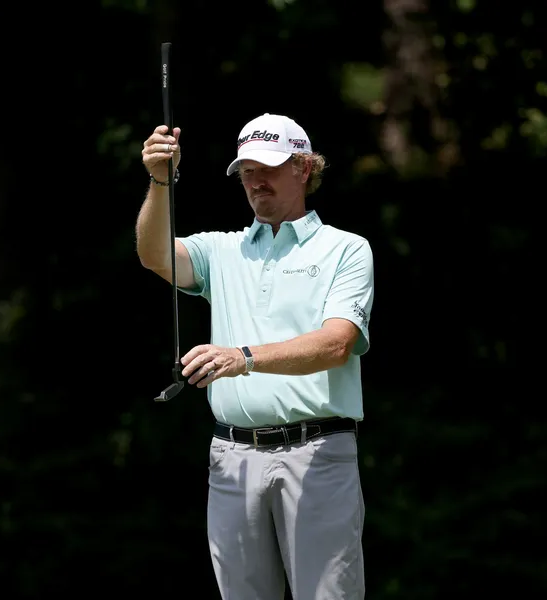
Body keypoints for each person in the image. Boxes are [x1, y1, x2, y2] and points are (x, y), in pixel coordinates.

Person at [135, 113, 374, 600]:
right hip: (232, 458)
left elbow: (336, 344)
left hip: (317, 453)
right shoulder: (223, 250)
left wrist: (243, 357)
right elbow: (154, 255)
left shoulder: (346, 249)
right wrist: (160, 181)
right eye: (247, 171)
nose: (256, 181)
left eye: (268, 168)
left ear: (303, 168)